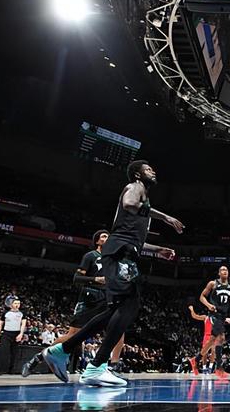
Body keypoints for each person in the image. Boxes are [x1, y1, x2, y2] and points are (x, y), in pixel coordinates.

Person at [41, 160, 183, 386]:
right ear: (137, 174)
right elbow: (129, 204)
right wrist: (165, 217)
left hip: (125, 251)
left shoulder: (144, 200)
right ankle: (95, 366)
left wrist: (157, 250)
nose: (153, 171)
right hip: (119, 253)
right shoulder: (134, 187)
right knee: (129, 306)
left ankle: (62, 351)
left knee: (116, 310)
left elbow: (133, 237)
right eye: (148, 169)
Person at [22, 230, 126, 377]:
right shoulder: (90, 256)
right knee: (72, 336)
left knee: (119, 329)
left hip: (108, 298)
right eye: (103, 236)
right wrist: (95, 279)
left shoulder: (113, 259)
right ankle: (38, 358)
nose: (107, 238)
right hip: (90, 297)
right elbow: (77, 278)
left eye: (109, 236)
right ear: (97, 241)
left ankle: (114, 366)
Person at [200, 265, 230, 376]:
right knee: (220, 338)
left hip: (223, 315)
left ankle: (196, 360)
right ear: (219, 273)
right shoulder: (213, 284)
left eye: (226, 269)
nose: (225, 271)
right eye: (222, 270)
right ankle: (218, 369)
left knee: (215, 340)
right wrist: (208, 305)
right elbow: (202, 297)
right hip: (213, 314)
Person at [0, 298, 26, 374]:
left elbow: (23, 324)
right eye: (15, 303)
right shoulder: (6, 313)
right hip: (6, 333)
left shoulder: (22, 313)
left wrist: (21, 334)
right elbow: (0, 324)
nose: (17, 305)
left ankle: (11, 370)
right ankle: (0, 370)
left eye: (18, 303)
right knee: (3, 351)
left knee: (14, 353)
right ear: (11, 304)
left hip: (16, 334)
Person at [186, 305, 214, 375]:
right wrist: (192, 310)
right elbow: (195, 316)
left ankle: (210, 368)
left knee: (214, 351)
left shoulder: (217, 318)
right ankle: (204, 368)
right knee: (204, 353)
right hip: (207, 336)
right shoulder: (205, 317)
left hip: (214, 336)